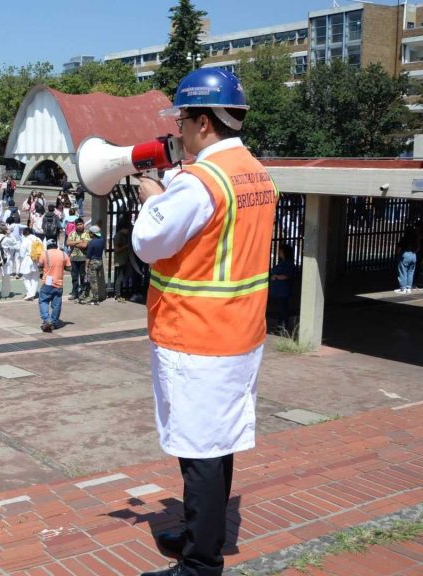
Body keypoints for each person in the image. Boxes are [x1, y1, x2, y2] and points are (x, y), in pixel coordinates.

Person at [133, 68, 277, 576]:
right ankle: (201, 534)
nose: (178, 132)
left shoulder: (199, 182)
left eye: (182, 122)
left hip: (196, 334)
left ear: (203, 123)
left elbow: (148, 244)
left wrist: (153, 198)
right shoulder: (254, 172)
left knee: (199, 453)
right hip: (239, 332)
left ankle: (199, 563)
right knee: (220, 444)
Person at [38, 238, 69, 332]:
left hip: (47, 282)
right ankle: (54, 323)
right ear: (56, 246)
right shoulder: (63, 254)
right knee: (57, 304)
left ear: (47, 246)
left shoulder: (45, 254)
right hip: (59, 283)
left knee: (43, 301)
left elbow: (39, 266)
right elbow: (69, 267)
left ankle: (47, 319)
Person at [267, 244, 295, 332]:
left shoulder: (288, 264)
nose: (279, 252)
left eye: (280, 251)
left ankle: (283, 326)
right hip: (278, 291)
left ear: (284, 252)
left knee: (283, 309)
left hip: (283, 291)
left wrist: (276, 277)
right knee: (281, 308)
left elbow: (287, 276)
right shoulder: (282, 262)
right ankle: (280, 325)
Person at [82, 226, 106, 305]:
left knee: (93, 282)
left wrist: (86, 267)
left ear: (93, 233)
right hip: (99, 262)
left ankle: (95, 299)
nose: (89, 234)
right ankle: (90, 295)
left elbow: (88, 256)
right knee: (96, 280)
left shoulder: (91, 243)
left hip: (93, 262)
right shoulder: (102, 240)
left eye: (90, 232)